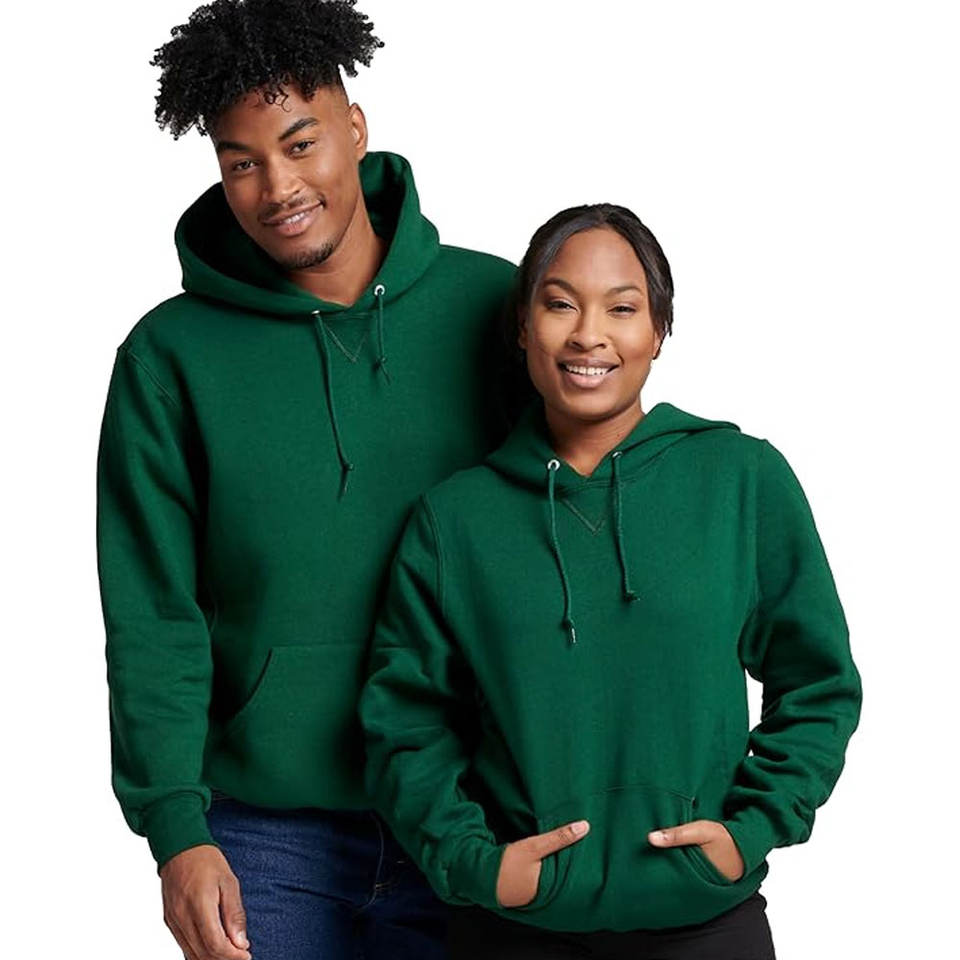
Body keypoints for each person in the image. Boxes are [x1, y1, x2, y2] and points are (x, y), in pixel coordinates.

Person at [95, 2, 515, 958]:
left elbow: (579, 521)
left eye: (299, 143)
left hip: (470, 808)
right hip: (264, 830)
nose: (278, 187)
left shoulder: (497, 307)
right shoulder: (170, 358)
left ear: (355, 128)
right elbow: (154, 612)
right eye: (241, 162)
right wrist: (176, 830)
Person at [359, 203, 863, 959]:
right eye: (560, 304)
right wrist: (476, 864)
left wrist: (752, 829)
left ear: (658, 330)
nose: (588, 335)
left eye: (622, 308)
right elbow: (405, 723)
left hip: (706, 925)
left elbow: (819, 682)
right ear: (523, 326)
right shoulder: (454, 519)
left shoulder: (741, 479)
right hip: (514, 932)